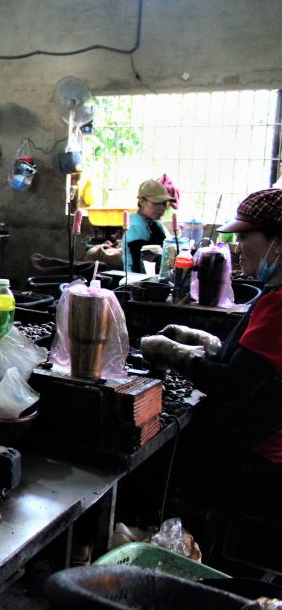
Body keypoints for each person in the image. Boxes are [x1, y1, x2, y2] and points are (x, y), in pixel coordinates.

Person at [141, 188, 282, 513]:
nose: (237, 247)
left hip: (255, 454)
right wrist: (198, 340)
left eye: (245, 237)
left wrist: (171, 351)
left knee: (159, 471)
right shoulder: (272, 293)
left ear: (277, 241)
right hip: (254, 436)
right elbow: (251, 361)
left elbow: (234, 383)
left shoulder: (278, 306)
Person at [125, 179, 174, 273]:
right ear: (142, 201)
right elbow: (139, 265)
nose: (161, 208)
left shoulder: (156, 225)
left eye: (164, 203)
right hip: (136, 280)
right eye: (156, 203)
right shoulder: (136, 227)